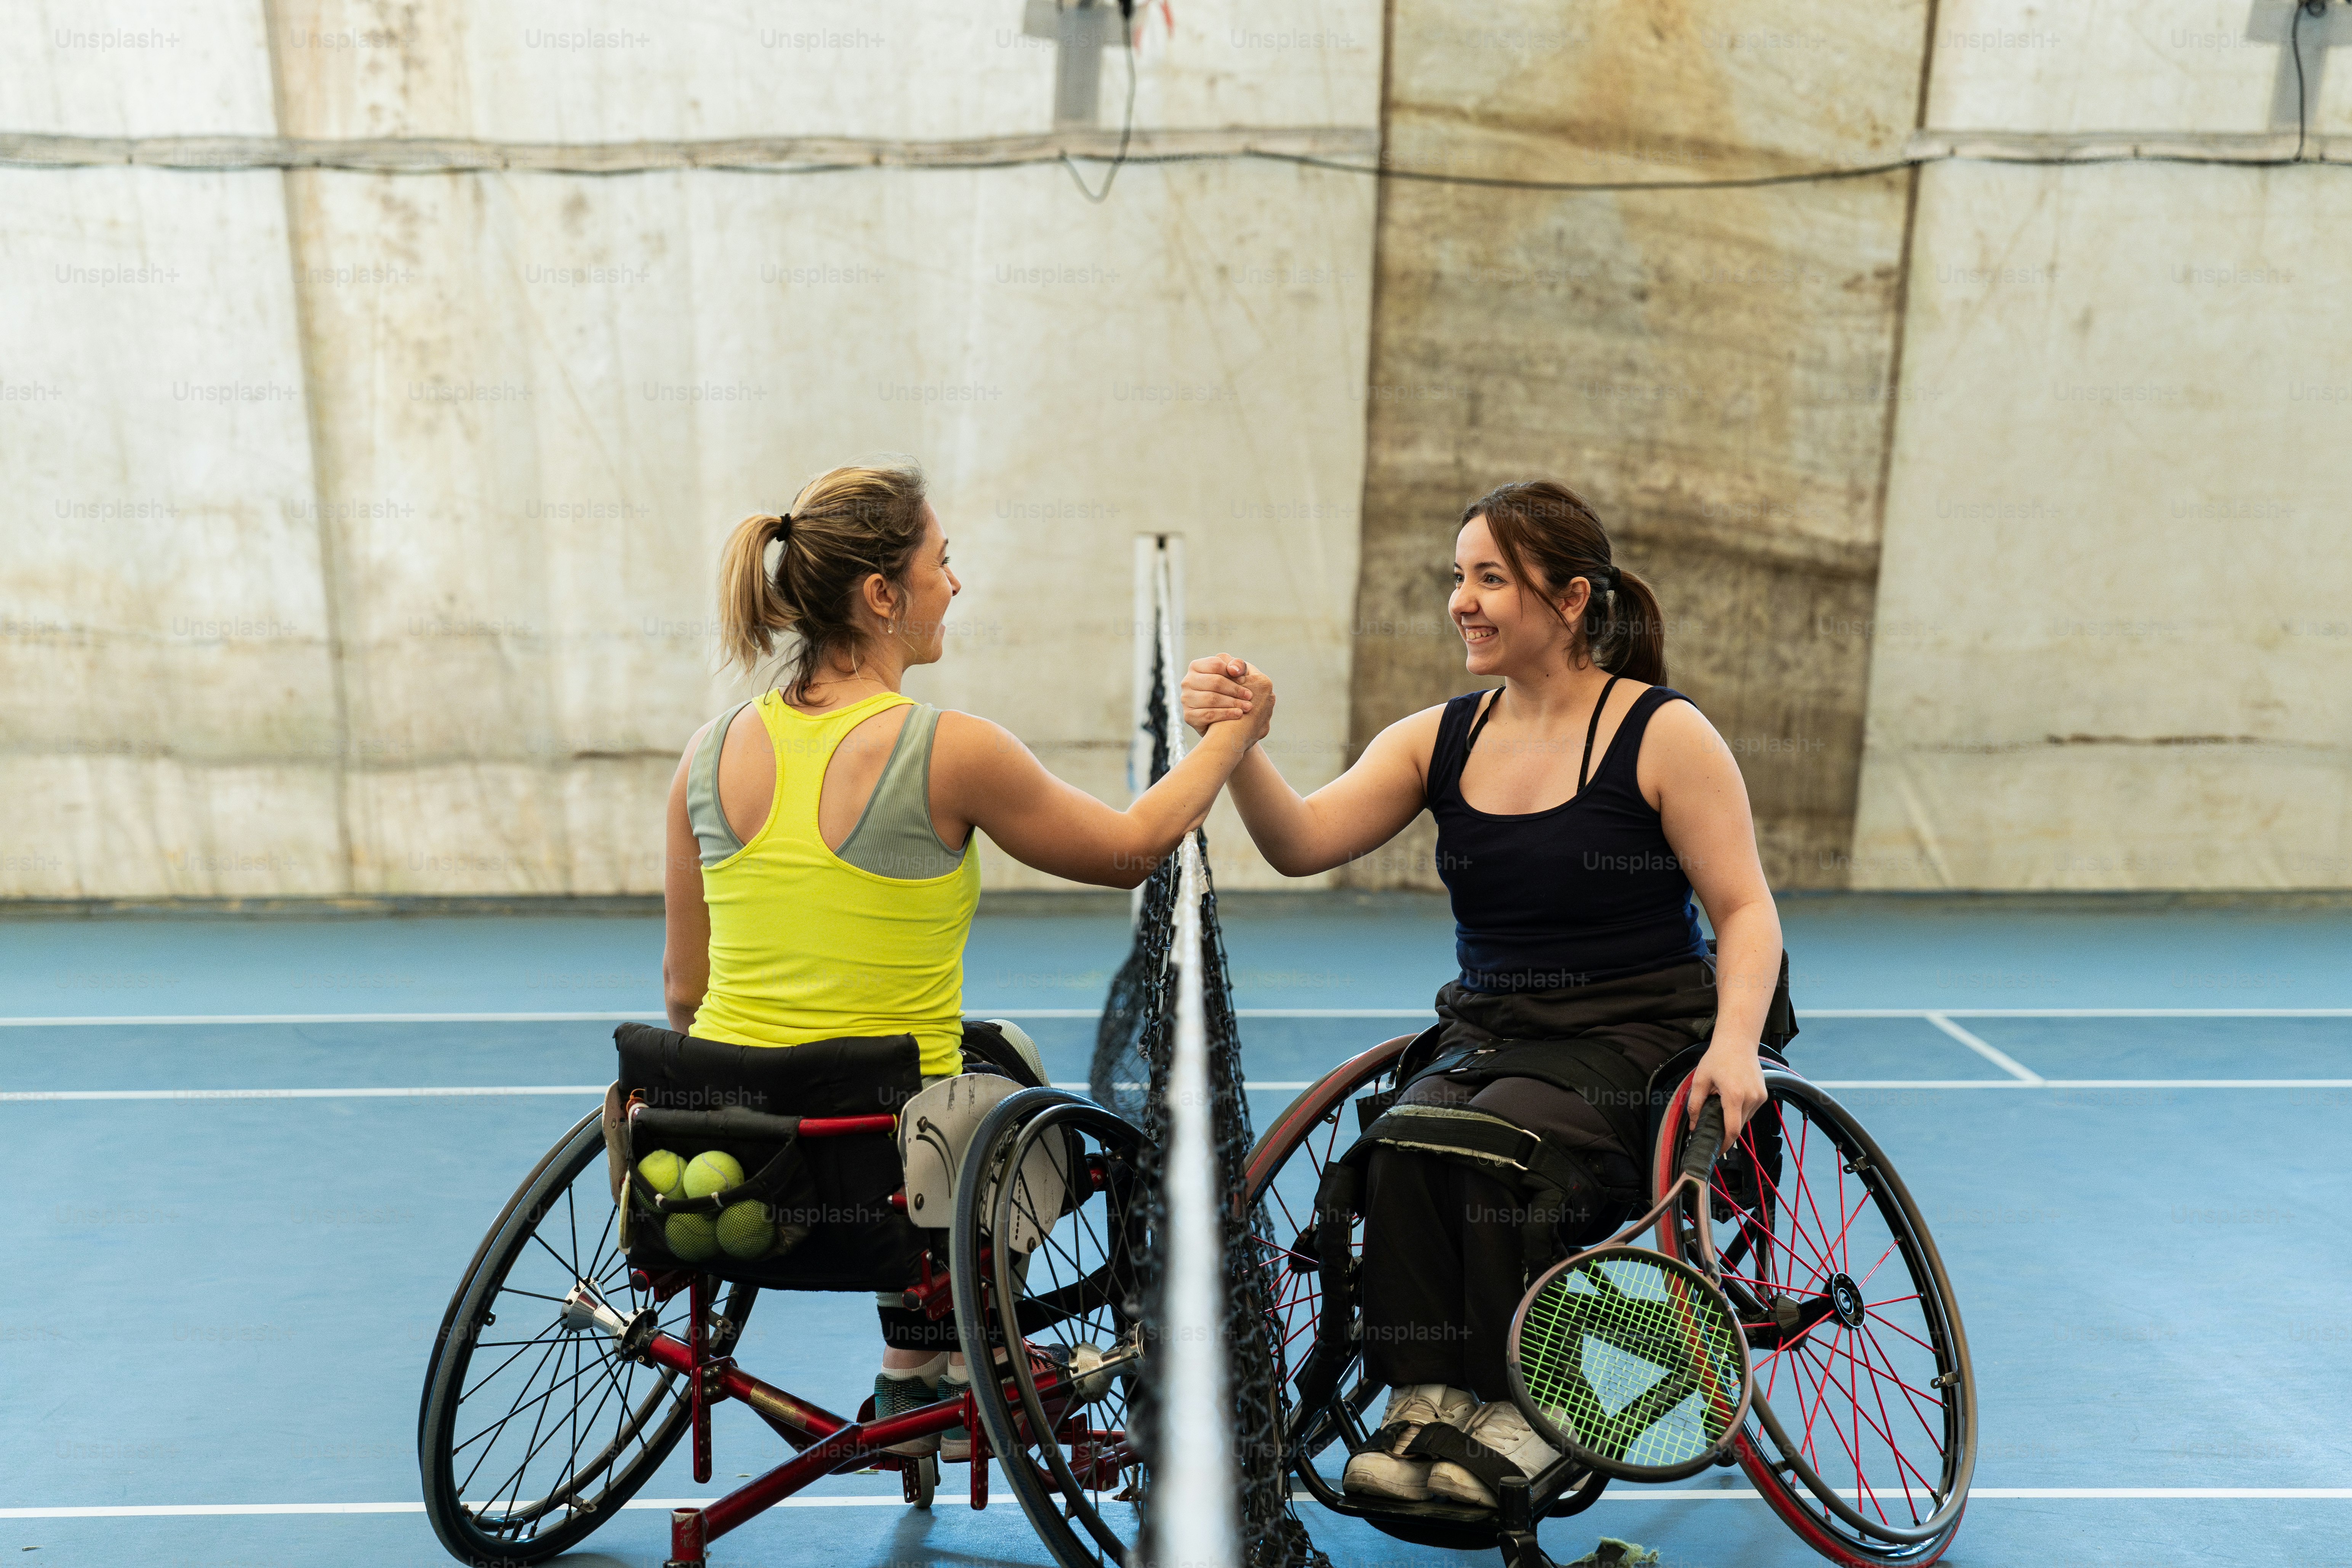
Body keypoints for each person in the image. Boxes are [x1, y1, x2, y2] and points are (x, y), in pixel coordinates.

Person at [1179, 479, 1783, 1508]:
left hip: (1639, 1037)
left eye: (1492, 578)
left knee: (1495, 1140)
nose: (1464, 599)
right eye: (1459, 577)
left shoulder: (1665, 734)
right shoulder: (1440, 737)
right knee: (1406, 1134)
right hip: (1496, 1035)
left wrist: (1736, 1046)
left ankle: (1524, 1406)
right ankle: (1429, 1394)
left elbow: (1748, 912)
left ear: (1573, 600)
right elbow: (1300, 843)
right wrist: (1240, 742)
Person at [660, 458, 1271, 1459]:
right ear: (882, 595)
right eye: (943, 561)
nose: (956, 582)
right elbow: (1127, 849)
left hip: (729, 1170)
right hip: (883, 1169)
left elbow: (686, 993)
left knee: (985, 1049)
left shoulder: (704, 752)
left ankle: (917, 1366)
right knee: (1025, 1098)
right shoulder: (949, 748)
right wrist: (1230, 740)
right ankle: (964, 1337)